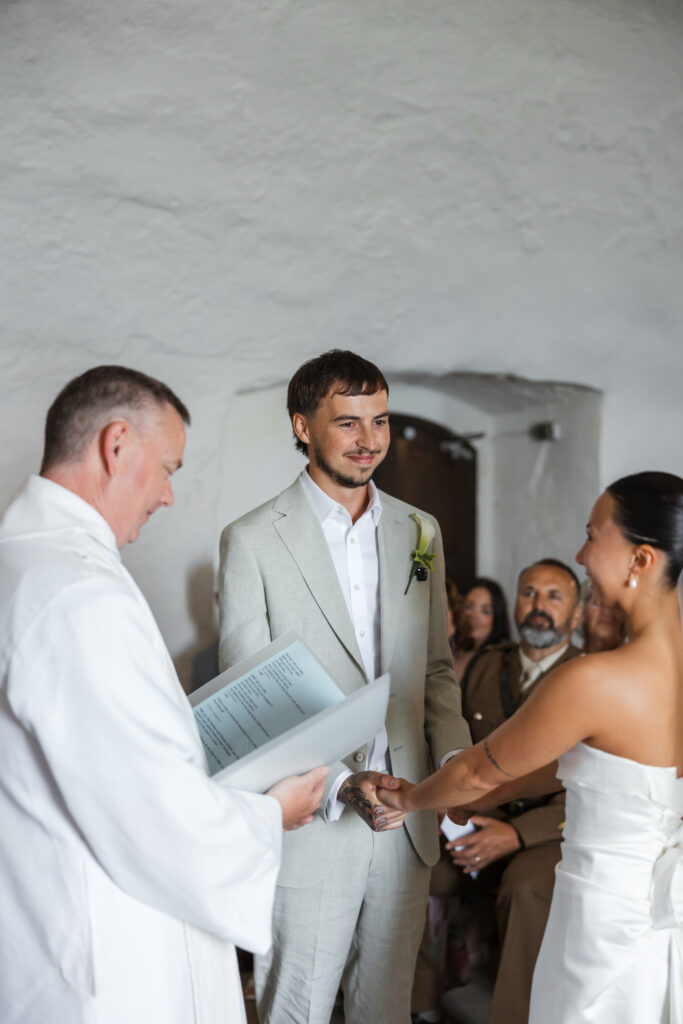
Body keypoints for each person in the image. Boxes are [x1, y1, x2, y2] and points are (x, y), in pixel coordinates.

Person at [0, 366, 327, 1024]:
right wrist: (269, 813)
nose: (170, 496)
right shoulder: (78, 593)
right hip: (111, 953)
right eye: (169, 468)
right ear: (116, 445)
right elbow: (150, 812)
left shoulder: (22, 564)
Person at [218, 349, 471, 1024]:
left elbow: (436, 672)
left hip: (406, 816)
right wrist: (336, 782)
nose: (370, 441)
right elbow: (257, 697)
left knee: (385, 1011)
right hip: (313, 818)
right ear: (302, 426)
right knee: (292, 1011)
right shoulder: (250, 541)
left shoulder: (420, 530)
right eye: (348, 422)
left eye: (381, 421)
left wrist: (451, 770)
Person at [379, 471, 683, 1023]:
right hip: (657, 913)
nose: (581, 552)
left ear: (640, 560)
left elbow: (473, 770)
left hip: (603, 907)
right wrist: (472, 804)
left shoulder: (595, 680)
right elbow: (581, 767)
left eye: (594, 535)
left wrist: (408, 801)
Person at [439, 559, 582, 1024]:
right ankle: (416, 1003)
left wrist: (517, 834)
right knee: (413, 864)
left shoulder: (589, 676)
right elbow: (460, 750)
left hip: (552, 832)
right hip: (475, 818)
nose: (538, 607)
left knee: (526, 885)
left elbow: (586, 783)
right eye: (529, 593)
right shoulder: (486, 663)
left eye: (554, 597)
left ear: (576, 616)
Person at [451, 577, 510, 681]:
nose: (474, 616)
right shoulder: (443, 651)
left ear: (496, 619)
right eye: (468, 606)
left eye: (485, 611)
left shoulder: (502, 663)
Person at [580, 579, 627, 652]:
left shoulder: (640, 660)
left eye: (614, 605)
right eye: (597, 603)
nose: (606, 612)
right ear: (582, 611)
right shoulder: (567, 660)